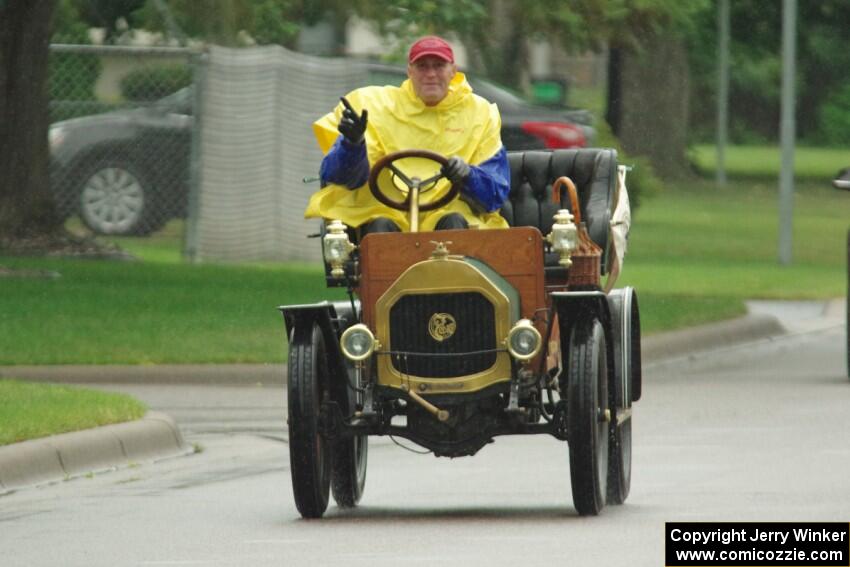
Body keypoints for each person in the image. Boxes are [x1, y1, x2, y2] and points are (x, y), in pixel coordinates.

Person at [305, 35, 510, 235]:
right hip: (386, 213)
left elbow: (494, 195)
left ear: (453, 71)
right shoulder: (373, 105)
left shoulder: (480, 113)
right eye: (422, 66)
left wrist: (467, 175)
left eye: (438, 65)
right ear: (409, 71)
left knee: (453, 222)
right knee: (380, 227)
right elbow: (340, 177)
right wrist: (352, 143)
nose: (430, 74)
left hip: (448, 216)